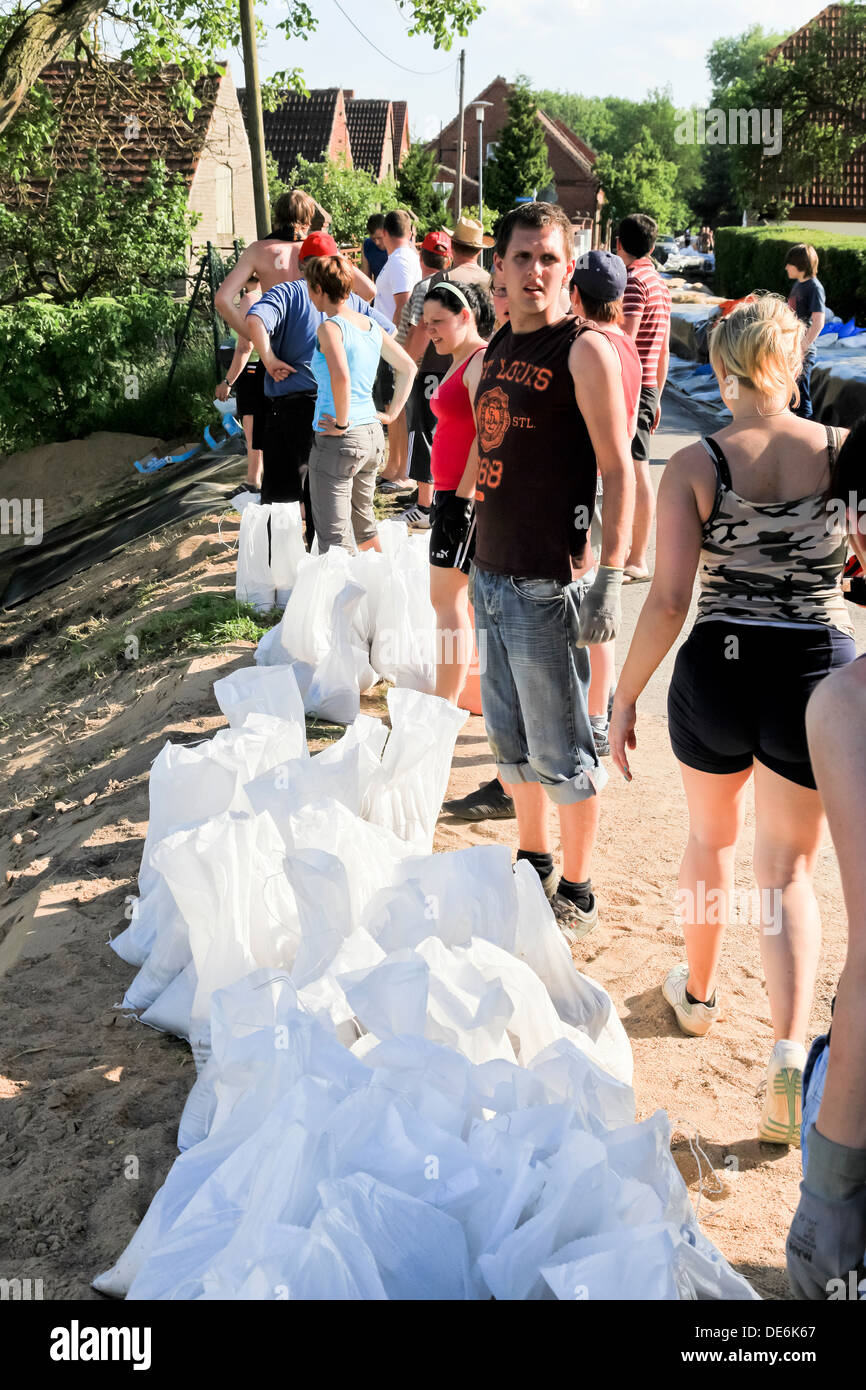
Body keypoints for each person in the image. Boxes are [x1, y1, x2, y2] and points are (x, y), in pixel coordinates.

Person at [609, 294, 862, 1146]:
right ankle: (789, 1059)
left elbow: (671, 598)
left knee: (710, 842)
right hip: (814, 677)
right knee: (786, 870)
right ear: (795, 365)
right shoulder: (845, 454)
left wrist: (623, 695)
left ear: (721, 371)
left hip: (717, 671)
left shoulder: (695, 462)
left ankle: (700, 994)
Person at [456, 201, 635, 940]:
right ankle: (533, 862)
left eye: (549, 260)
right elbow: (485, 447)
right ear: (499, 267)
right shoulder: (498, 346)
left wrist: (611, 575)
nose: (534, 272)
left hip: (544, 580)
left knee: (562, 749)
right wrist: (452, 515)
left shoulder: (584, 351)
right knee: (512, 743)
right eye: (522, 258)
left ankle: (581, 890)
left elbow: (620, 471)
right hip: (491, 573)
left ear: (568, 268)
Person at [241, 233, 397, 524]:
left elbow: (255, 320)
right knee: (326, 503)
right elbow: (390, 335)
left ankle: (283, 565)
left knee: (281, 504)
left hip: (292, 409)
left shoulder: (286, 292)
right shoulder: (352, 304)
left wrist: (269, 358)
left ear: (302, 265)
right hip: (342, 412)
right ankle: (320, 561)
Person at [569, 251, 642, 759]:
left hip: (590, 481)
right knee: (594, 606)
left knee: (588, 606)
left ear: (575, 296)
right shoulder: (625, 345)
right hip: (603, 481)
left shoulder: (589, 345)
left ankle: (596, 715)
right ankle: (598, 710)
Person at [305, 254, 416, 554]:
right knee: (364, 524)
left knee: (334, 537)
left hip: (340, 440)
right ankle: (381, 591)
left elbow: (341, 377)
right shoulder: (369, 324)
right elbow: (408, 367)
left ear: (318, 289)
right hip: (371, 435)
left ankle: (345, 600)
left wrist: (341, 422)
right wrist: (392, 413)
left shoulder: (329, 328)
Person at [417, 280, 493, 701]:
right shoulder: (457, 358)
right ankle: (459, 692)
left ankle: (443, 704)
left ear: (466, 315)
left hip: (462, 497)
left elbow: (488, 436)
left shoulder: (477, 361)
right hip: (451, 494)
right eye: (426, 323)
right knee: (454, 602)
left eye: (439, 322)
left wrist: (462, 499)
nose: (431, 331)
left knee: (446, 601)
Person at [617, 213, 672, 583]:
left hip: (633, 385)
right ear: (652, 247)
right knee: (637, 468)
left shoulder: (634, 283)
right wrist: (659, 393)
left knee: (635, 470)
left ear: (618, 244)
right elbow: (663, 348)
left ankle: (636, 558)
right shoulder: (660, 285)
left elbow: (626, 340)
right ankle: (632, 554)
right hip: (650, 384)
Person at [392, 230, 453, 527]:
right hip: (453, 368)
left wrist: (406, 364)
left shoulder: (425, 287)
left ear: (422, 255)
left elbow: (418, 330)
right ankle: (431, 497)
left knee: (423, 433)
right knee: (443, 434)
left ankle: (424, 505)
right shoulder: (456, 282)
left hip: (427, 367)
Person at [374, 209, 422, 492]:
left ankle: (402, 469)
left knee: (397, 408)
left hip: (394, 344)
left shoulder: (401, 261)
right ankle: (394, 465)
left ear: (385, 233)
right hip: (392, 344)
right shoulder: (400, 259)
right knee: (394, 407)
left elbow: (403, 304)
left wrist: (393, 342)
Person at [215, 272, 264, 490]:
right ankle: (261, 477)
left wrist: (228, 381)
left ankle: (253, 481)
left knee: (252, 429)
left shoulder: (251, 299)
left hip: (252, 370)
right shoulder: (277, 292)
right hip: (267, 368)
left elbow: (246, 346)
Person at [785, 244, 826, 421]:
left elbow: (819, 322)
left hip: (803, 352)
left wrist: (802, 347)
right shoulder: (798, 285)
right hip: (792, 348)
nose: (786, 267)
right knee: (791, 396)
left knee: (801, 397)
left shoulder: (814, 288)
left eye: (789, 263)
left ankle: (805, 436)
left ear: (800, 264)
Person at [360, 213, 388, 283]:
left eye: (379, 238)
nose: (377, 242)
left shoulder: (397, 244)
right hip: (378, 291)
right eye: (373, 239)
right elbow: (366, 278)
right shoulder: (367, 245)